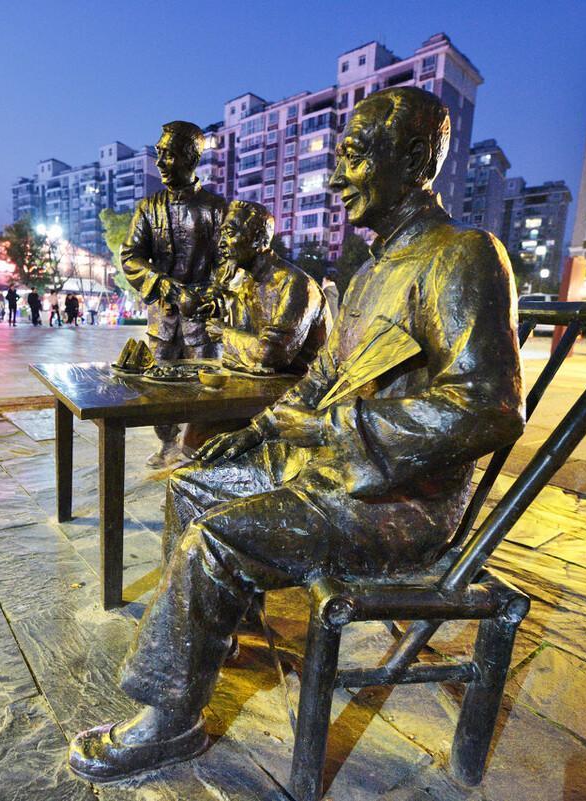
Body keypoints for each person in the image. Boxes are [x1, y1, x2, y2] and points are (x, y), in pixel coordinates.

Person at [68, 87, 524, 784]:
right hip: (332, 471)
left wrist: (335, 427)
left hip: (398, 501)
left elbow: (489, 407)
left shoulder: (462, 255)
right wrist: (255, 433)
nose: (337, 178)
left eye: (355, 157)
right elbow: (320, 382)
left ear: (412, 161)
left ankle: (170, 719)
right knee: (192, 484)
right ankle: (212, 639)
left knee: (213, 539)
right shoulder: (371, 273)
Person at [121, 120, 227, 467]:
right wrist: (165, 286)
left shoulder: (216, 208)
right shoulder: (148, 208)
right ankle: (168, 444)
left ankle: (198, 450)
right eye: (159, 153)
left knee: (205, 389)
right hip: (163, 319)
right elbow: (131, 256)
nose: (160, 162)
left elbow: (229, 263)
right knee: (160, 387)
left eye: (168, 154)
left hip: (202, 320)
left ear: (190, 159)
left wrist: (210, 296)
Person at [208, 200, 325, 376]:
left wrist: (224, 333)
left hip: (300, 383)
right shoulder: (243, 282)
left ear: (257, 238)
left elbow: (271, 354)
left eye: (230, 233)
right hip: (258, 379)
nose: (221, 243)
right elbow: (242, 348)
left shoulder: (295, 283)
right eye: (222, 234)